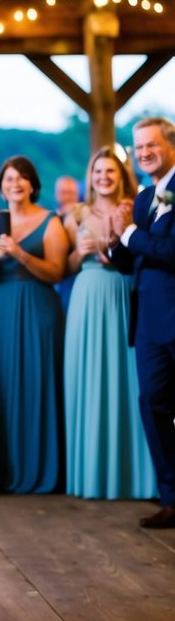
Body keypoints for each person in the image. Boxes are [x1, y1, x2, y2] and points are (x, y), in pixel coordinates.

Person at [63, 148, 155, 499]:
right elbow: (64, 268)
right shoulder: (75, 214)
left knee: (130, 379)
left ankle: (137, 476)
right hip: (87, 294)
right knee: (90, 377)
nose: (104, 177)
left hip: (124, 292)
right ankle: (93, 474)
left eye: (111, 172)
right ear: (91, 176)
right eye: (98, 171)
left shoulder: (135, 206)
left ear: (121, 176)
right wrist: (80, 253)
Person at [0, 155, 67, 494]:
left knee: (39, 384)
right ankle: (2, 471)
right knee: (2, 385)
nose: (15, 183)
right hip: (0, 309)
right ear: (1, 186)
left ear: (32, 184)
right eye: (9, 178)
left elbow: (56, 272)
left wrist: (20, 253)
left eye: (22, 178)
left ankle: (44, 470)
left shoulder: (51, 221)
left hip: (39, 307)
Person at [111, 118, 175, 529]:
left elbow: (170, 251)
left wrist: (131, 234)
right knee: (151, 404)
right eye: (138, 148)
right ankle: (171, 498)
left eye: (151, 145)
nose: (143, 153)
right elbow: (130, 261)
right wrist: (115, 240)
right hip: (149, 324)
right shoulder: (143, 197)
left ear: (170, 145)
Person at [54, 175, 81, 314]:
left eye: (71, 193)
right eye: (63, 192)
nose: (67, 197)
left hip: (77, 280)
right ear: (56, 195)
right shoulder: (51, 220)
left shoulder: (84, 219)